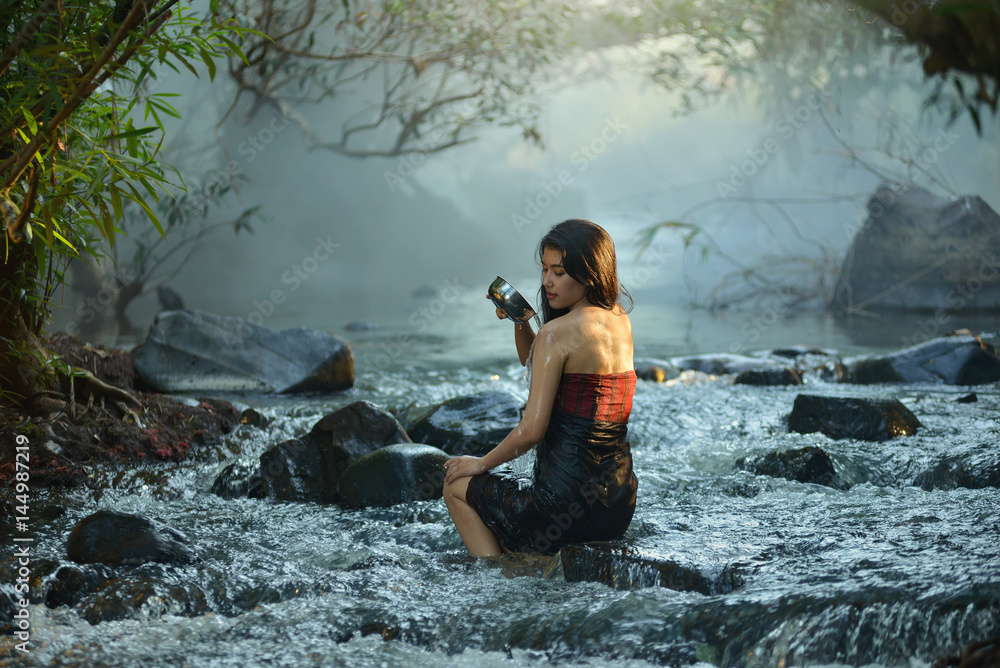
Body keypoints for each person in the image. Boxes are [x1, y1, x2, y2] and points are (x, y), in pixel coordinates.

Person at [442, 219, 637, 557]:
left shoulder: (557, 334)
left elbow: (532, 431)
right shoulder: (620, 319)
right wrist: (522, 323)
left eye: (559, 272)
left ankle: (502, 572)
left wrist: (480, 463)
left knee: (455, 485)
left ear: (590, 272)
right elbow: (537, 364)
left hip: (561, 508)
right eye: (545, 270)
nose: (547, 281)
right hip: (617, 505)